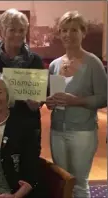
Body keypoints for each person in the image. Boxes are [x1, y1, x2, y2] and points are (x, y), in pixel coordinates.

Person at [46, 11, 107, 198]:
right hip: (57, 131)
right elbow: (52, 99)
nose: (68, 34)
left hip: (83, 132)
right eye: (64, 30)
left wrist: (76, 101)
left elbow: (104, 98)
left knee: (80, 185)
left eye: (73, 30)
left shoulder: (93, 63)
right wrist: (49, 103)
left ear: (83, 33)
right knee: (64, 182)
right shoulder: (54, 65)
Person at [0, 8, 44, 132]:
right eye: (12, 30)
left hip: (26, 127)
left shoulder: (35, 60)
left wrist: (38, 102)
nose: (18, 34)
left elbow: (42, 94)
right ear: (2, 32)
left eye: (21, 30)